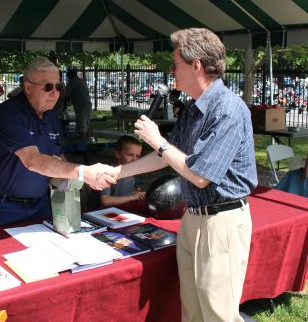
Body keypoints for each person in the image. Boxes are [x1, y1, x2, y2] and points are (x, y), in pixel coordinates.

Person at [112, 28, 256, 322]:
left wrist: (158, 141)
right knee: (191, 310)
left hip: (221, 221)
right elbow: (168, 156)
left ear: (196, 64)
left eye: (175, 63)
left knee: (217, 313)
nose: (171, 71)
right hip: (193, 217)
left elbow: (200, 175)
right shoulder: (193, 109)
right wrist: (118, 172)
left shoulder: (228, 109)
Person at [0, 57, 116, 228]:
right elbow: (33, 161)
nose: (55, 93)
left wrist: (80, 180)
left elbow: (58, 158)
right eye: (48, 86)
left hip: (40, 204)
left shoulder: (51, 116)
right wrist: (84, 172)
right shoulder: (10, 112)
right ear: (27, 87)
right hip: (0, 207)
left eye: (59, 87)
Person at [99, 136, 145, 207]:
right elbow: (105, 201)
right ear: (118, 154)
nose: (134, 159)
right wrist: (132, 197)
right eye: (130, 155)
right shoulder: (108, 173)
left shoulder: (132, 175)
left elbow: (122, 196)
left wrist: (134, 194)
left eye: (137, 156)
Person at [64, 69, 92, 136]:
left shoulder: (71, 83)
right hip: (88, 104)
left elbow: (66, 96)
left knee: (81, 125)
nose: (68, 78)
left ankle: (82, 141)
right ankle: (86, 139)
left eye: (68, 76)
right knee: (85, 124)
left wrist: (64, 106)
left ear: (71, 75)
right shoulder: (81, 81)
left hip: (80, 106)